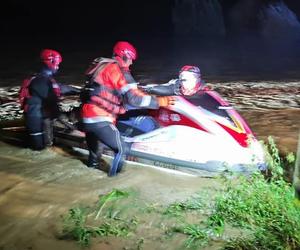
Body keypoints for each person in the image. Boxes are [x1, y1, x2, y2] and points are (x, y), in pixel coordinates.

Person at [80, 41, 175, 176]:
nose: (131, 63)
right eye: (130, 59)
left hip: (86, 118)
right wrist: (159, 101)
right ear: (123, 56)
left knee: (95, 156)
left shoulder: (101, 66)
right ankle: (113, 182)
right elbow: (134, 99)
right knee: (122, 150)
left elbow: (105, 92)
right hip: (100, 119)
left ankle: (90, 176)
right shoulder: (115, 70)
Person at [19, 49, 80, 150]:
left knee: (47, 143)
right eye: (57, 63)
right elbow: (50, 99)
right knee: (38, 148)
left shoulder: (45, 78)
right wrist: (61, 117)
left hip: (43, 115)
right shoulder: (40, 80)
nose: (58, 66)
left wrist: (80, 91)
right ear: (51, 62)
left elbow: (61, 88)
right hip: (35, 117)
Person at [141, 65, 206, 96]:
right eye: (184, 78)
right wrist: (147, 89)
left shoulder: (206, 92)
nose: (188, 81)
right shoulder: (176, 88)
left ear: (198, 79)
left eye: (192, 77)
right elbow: (165, 88)